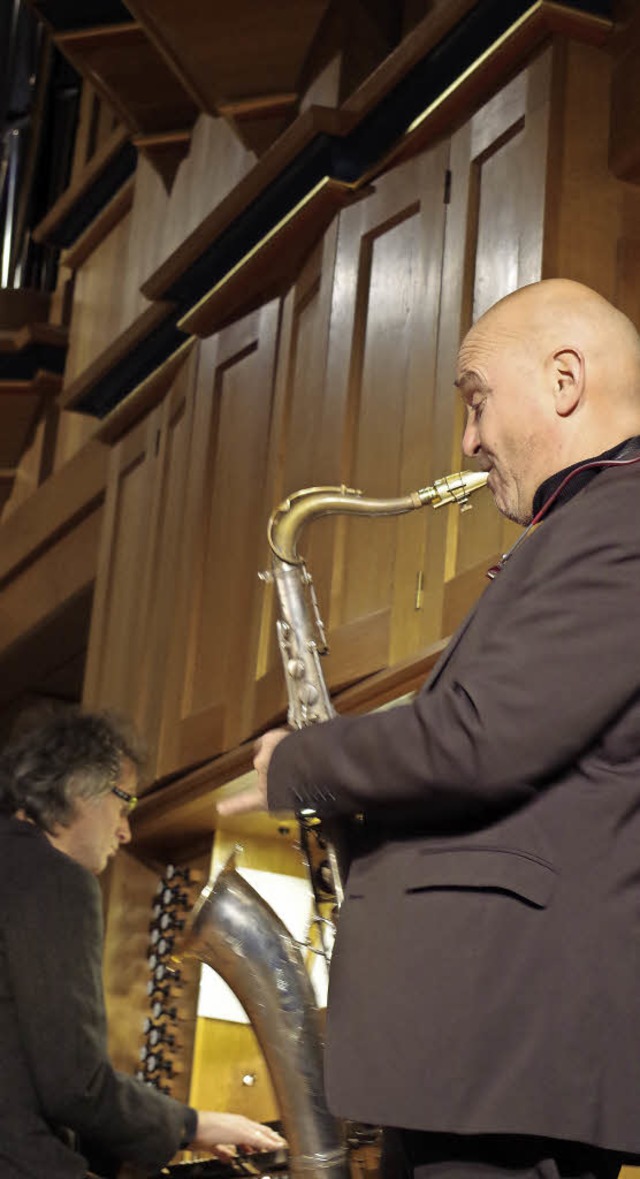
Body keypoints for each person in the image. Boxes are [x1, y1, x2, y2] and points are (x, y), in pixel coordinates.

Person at [218, 278, 640, 1179]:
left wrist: (306, 759)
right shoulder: (587, 523)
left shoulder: (623, 517)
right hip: (476, 1057)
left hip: (503, 1051)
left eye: (477, 400)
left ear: (565, 380)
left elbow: (482, 738)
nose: (470, 439)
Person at [0, 707, 285, 1178]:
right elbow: (74, 1085)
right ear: (78, 789)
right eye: (125, 803)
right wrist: (193, 1124)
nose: (126, 830)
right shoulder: (55, 879)